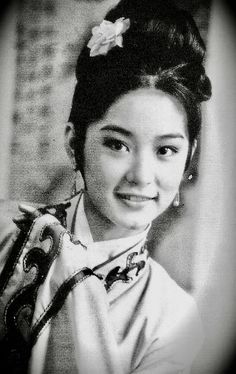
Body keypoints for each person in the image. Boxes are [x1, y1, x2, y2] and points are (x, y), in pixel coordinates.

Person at [0, 0, 211, 373]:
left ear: (189, 156)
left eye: (166, 150)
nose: (142, 175)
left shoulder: (172, 319)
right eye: (117, 144)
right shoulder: (3, 232)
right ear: (73, 142)